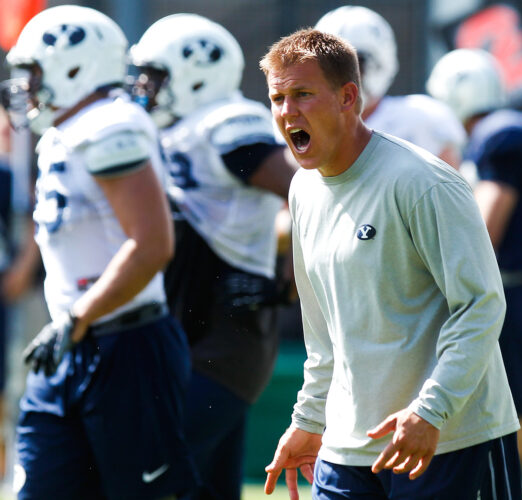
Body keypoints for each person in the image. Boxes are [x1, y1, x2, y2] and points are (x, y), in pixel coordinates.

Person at [260, 29, 521, 500]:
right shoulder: (302, 190)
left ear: (348, 97)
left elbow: (481, 305)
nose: (287, 112)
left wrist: (431, 411)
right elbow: (322, 331)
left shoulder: (423, 181)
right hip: (346, 449)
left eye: (302, 94)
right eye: (278, 98)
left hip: (448, 441)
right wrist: (309, 419)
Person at [1, 6, 197, 499]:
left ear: (73, 67)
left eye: (34, 71)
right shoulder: (63, 133)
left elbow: (152, 245)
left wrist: (78, 316)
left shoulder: (110, 124)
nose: (26, 86)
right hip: (71, 342)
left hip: (126, 346)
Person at [128, 13, 298, 500]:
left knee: (144, 474)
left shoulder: (222, 124)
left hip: (224, 339)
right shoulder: (177, 130)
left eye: (155, 75)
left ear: (195, 73)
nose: (145, 86)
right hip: (193, 335)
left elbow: (308, 192)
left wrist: (288, 279)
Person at [427, 48, 522, 500]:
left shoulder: (500, 133)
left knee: (514, 410)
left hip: (502, 293)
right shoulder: (504, 132)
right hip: (511, 290)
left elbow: (486, 224)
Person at [315, 5, 466, 169]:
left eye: (356, 64)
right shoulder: (307, 124)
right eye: (331, 65)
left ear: (381, 62)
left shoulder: (421, 120)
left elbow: (451, 182)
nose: (341, 76)